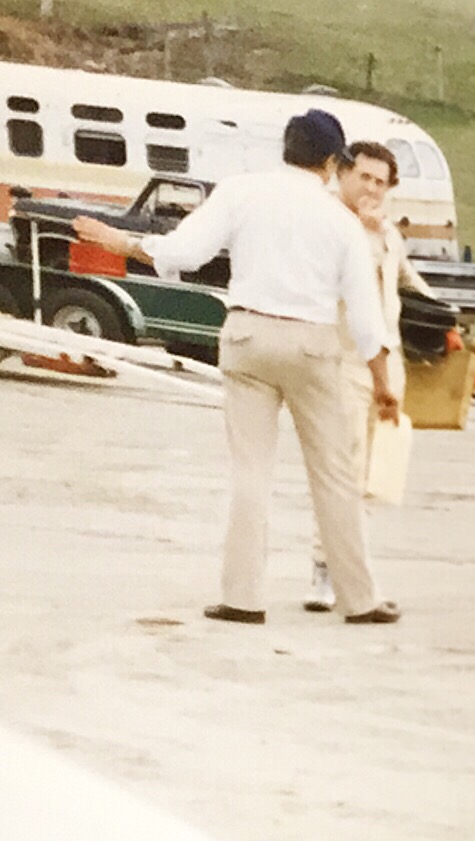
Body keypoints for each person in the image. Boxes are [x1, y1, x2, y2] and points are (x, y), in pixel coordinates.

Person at [75, 109, 402, 625]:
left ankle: (243, 597)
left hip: (248, 337)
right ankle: (359, 599)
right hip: (313, 347)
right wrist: (382, 384)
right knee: (335, 476)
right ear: (329, 162)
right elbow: (365, 319)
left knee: (251, 471)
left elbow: (185, 250)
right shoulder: (341, 220)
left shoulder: (240, 191)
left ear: (286, 150)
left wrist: (124, 243)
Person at [304, 140, 436, 613]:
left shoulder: (387, 234)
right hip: (343, 359)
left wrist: (444, 315)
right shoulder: (333, 226)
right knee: (342, 467)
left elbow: (405, 279)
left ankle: (349, 568)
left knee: (372, 476)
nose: (372, 189)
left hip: (389, 361)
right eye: (365, 177)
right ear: (344, 174)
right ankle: (325, 570)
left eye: (381, 182)